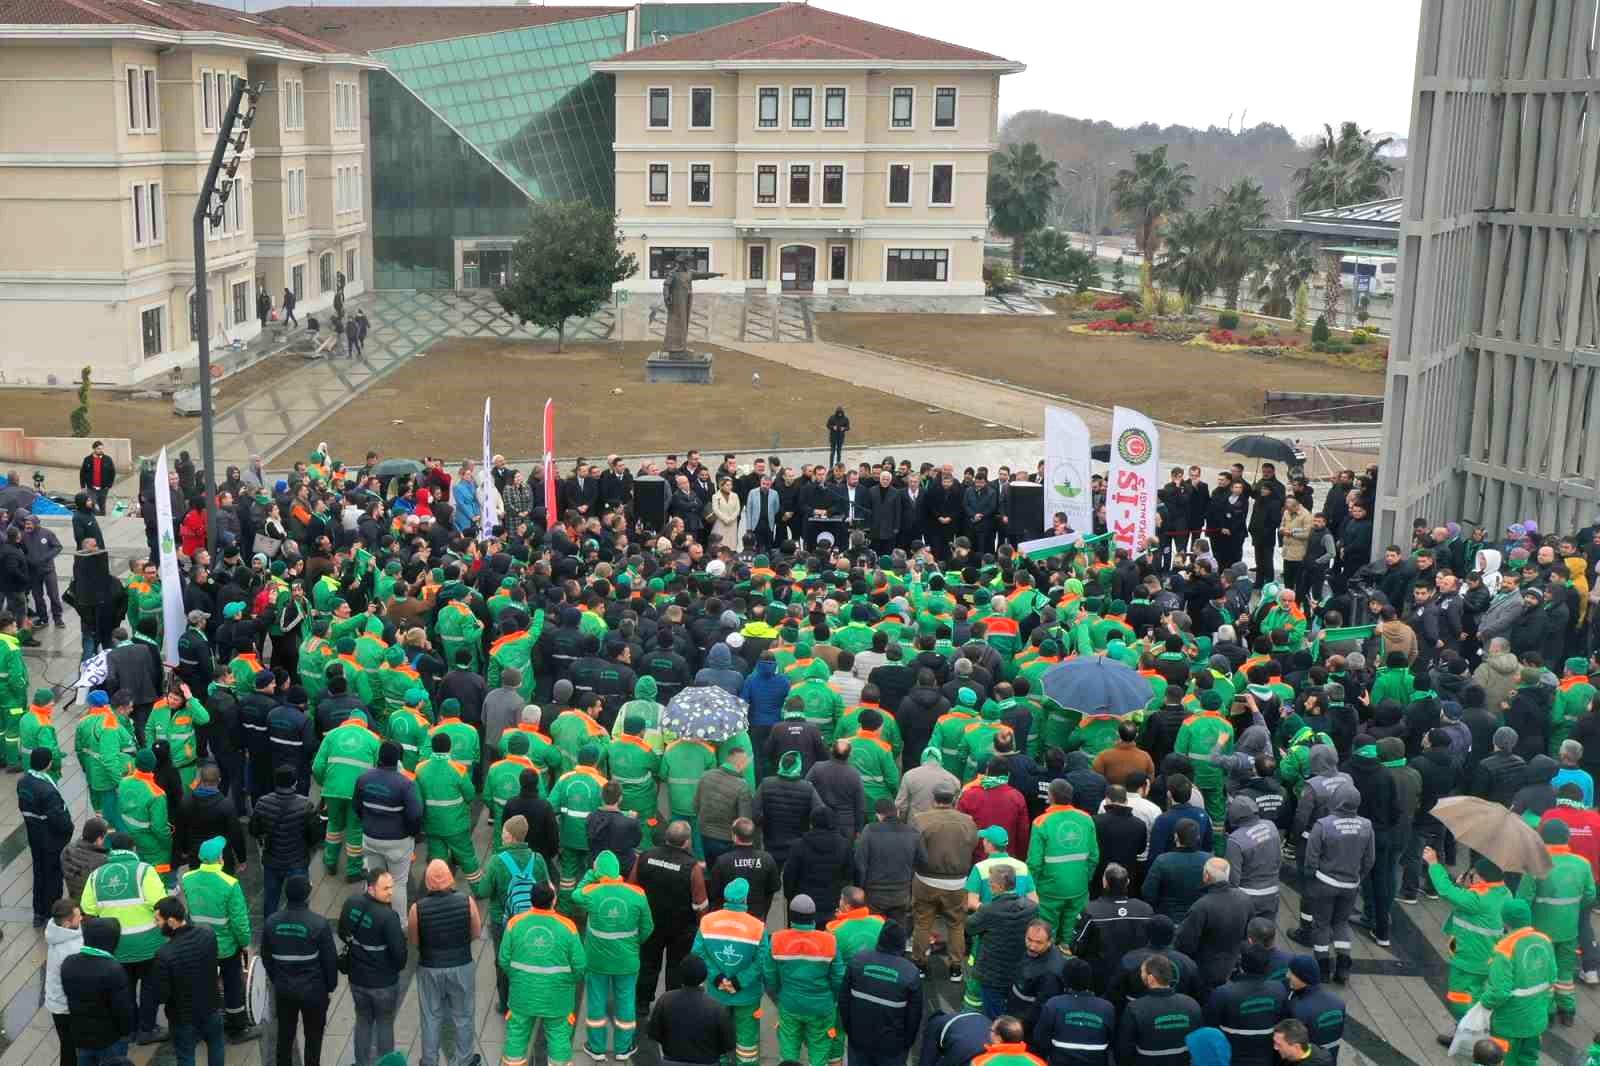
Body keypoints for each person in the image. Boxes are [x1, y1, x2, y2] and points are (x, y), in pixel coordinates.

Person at [79, 830, 166, 1044]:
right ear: (133, 848)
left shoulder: (96, 876)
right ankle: (147, 1029)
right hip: (148, 944)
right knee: (149, 988)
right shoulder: (144, 871)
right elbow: (161, 903)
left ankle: (130, 1029)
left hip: (115, 947)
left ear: (111, 850)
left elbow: (87, 909)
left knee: (124, 991)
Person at [572, 850, 652, 1061]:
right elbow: (648, 928)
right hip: (627, 961)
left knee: (596, 1002)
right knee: (625, 1002)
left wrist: (591, 874)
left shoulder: (592, 893)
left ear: (599, 872)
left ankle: (596, 1048)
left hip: (596, 960)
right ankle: (623, 1048)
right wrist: (634, 944)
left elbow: (575, 894)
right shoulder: (637, 895)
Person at [1514, 819, 1594, 1026]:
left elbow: (1523, 902)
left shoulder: (1535, 865)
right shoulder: (1582, 864)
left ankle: (1548, 1012)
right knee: (1565, 972)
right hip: (1569, 929)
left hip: (1541, 931)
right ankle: (1567, 1011)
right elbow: (1589, 895)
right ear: (1567, 838)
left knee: (1543, 971)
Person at [179, 836, 256, 1043]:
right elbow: (239, 921)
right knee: (232, 984)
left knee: (204, 984)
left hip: (199, 944)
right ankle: (237, 1025)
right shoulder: (230, 884)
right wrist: (244, 941)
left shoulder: (187, 878)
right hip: (226, 946)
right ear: (220, 858)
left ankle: (204, 1024)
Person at [500, 881, 585, 1066]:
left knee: (517, 1035)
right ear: (553, 900)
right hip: (557, 997)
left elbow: (504, 960)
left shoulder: (515, 924)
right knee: (558, 1037)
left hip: (523, 994)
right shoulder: (568, 926)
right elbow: (580, 966)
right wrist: (567, 982)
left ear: (531, 899)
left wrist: (518, 978)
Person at [410, 859, 482, 1066]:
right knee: (463, 1015)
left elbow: (415, 941)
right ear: (450, 878)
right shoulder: (466, 901)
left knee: (431, 1017)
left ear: (428, 881)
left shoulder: (417, 908)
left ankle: (430, 1061)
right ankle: (464, 1059)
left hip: (430, 968)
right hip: (461, 965)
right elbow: (476, 933)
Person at [691, 877, 769, 1066]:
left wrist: (718, 978)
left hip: (717, 993)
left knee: (716, 1035)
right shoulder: (757, 927)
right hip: (747, 995)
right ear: (745, 899)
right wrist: (738, 981)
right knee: (747, 1042)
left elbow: (697, 954)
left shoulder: (707, 921)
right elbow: (762, 962)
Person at [262, 875, 337, 1066]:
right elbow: (329, 961)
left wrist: (277, 978)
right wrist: (329, 987)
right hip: (314, 991)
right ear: (307, 895)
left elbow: (266, 956)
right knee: (313, 1036)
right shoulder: (319, 924)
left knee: (285, 1035)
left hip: (284, 990)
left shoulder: (272, 922)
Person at [1303, 777, 1373, 984]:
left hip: (1324, 881)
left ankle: (1322, 968)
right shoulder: (1366, 825)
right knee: (1341, 923)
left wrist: (1311, 877)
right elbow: (1370, 859)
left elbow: (1311, 858)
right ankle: (1343, 966)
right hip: (1350, 884)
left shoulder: (1323, 825)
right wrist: (1358, 878)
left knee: (1321, 925)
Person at [765, 893, 844, 1066]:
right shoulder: (829, 941)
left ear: (791, 916)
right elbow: (838, 978)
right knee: (819, 1053)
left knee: (788, 1052)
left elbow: (770, 976)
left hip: (789, 1004)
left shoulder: (777, 939)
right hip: (821, 1008)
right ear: (813, 917)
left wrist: (779, 998)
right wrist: (833, 1000)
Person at [340, 868, 407, 1066]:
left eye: (392, 887)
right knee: (385, 1023)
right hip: (383, 983)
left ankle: (361, 1062)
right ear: (371, 889)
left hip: (357, 980)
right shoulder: (388, 917)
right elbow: (400, 955)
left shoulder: (351, 903)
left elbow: (342, 932)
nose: (390, 892)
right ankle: (384, 1063)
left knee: (363, 1020)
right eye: (385, 888)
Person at [912, 782, 978, 978]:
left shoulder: (920, 820)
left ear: (933, 800)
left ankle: (920, 965)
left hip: (925, 880)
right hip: (957, 882)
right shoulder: (968, 821)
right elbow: (973, 846)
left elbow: (914, 849)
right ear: (953, 801)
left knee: (923, 923)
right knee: (956, 924)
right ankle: (956, 968)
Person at [354, 741, 423, 924]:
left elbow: (357, 807)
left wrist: (368, 822)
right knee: (398, 883)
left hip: (370, 838)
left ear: (379, 757)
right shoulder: (405, 784)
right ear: (398, 760)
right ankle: (400, 924)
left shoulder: (363, 779)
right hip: (398, 841)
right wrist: (411, 833)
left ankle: (370, 920)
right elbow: (415, 815)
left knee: (373, 879)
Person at [837, 921, 923, 1066]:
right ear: (902, 944)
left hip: (859, 1041)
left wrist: (850, 1031)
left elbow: (844, 1001)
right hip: (892, 1048)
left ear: (881, 939)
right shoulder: (910, 972)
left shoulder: (857, 961)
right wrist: (906, 1044)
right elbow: (914, 1016)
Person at [154, 896, 225, 1066]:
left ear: (171, 921)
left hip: (183, 1019)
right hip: (211, 1009)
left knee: (186, 1057)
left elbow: (162, 995)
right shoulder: (208, 934)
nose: (155, 923)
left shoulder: (164, 954)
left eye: (157, 920)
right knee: (216, 1047)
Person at [312, 707, 381, 880]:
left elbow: (317, 767)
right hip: (358, 793)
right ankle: (353, 870)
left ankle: (330, 862)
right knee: (355, 829)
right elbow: (378, 771)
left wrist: (324, 784)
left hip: (332, 790)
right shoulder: (373, 739)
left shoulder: (332, 735)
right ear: (364, 724)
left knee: (334, 825)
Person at [1029, 779, 1097, 944]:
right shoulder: (1086, 819)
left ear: (1050, 796)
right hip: (1078, 887)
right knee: (1070, 933)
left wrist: (1032, 888)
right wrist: (1084, 879)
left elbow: (1034, 863)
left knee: (1046, 932)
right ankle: (1067, 955)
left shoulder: (1041, 822)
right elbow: (1094, 856)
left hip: (1049, 889)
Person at [60, 915, 135, 1066]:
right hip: (110, 1039)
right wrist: (127, 1032)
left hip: (81, 1036)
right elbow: (122, 1009)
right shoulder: (113, 969)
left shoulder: (68, 963)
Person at [965, 865, 1039, 1018]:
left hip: (992, 977)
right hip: (1019, 972)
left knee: (995, 1019)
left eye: (990, 883)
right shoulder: (1031, 908)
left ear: (996, 886)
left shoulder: (989, 910)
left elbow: (970, 927)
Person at [250, 765, 320, 923]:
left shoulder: (263, 803)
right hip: (297, 862)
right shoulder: (305, 805)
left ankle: (269, 929)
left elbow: (254, 830)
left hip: (272, 861)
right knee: (300, 900)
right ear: (294, 783)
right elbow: (314, 836)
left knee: (271, 900)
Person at [1176, 856, 1253, 998]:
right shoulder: (1244, 898)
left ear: (1206, 876)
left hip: (1205, 971)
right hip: (1233, 966)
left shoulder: (1201, 906)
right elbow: (1248, 933)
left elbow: (1186, 944)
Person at [1204, 943, 1287, 1066]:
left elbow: (1209, 1028)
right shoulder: (1279, 989)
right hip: (1266, 1058)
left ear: (1241, 965)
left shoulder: (1223, 993)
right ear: (1267, 965)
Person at [644, 956, 736, 1066]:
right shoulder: (717, 1008)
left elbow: (654, 1034)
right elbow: (729, 1045)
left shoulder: (665, 1000)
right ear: (704, 977)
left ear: (680, 975)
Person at [1114, 955, 1202, 1065]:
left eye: (1142, 972)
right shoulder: (1192, 1005)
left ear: (1151, 979)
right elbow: (1198, 1044)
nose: (1141, 975)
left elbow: (1123, 1050)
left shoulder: (1134, 1009)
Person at [19, 744, 71, 926]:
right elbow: (60, 820)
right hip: (51, 840)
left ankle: (38, 913)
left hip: (35, 836)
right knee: (53, 877)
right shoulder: (47, 789)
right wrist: (68, 829)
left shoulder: (23, 782)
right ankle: (52, 913)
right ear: (48, 764)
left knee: (39, 873)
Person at [855, 797, 926, 931]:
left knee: (874, 930)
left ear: (878, 814)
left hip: (874, 892)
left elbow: (860, 861)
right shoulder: (912, 832)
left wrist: (861, 886)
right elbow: (923, 861)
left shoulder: (869, 830)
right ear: (897, 812)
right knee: (897, 931)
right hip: (901, 892)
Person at [1030, 955, 1114, 1066]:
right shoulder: (1107, 1007)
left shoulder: (1054, 1004)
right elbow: (1113, 1041)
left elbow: (1040, 1039)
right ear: (1089, 979)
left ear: (1065, 979)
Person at [708, 816, 781, 917]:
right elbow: (774, 887)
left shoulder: (723, 861)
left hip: (730, 916)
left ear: (734, 836)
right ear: (753, 836)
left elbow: (713, 892)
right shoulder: (767, 859)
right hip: (757, 916)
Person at [695, 744, 753, 865]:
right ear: (740, 764)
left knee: (712, 869)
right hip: (727, 839)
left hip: (705, 834)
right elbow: (744, 821)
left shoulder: (706, 776)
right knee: (727, 873)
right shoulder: (742, 786)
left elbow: (696, 806)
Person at [1285, 955, 1346, 1063]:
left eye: (1291, 973)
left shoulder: (1298, 1009)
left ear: (1303, 978)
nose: (1287, 975)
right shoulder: (1339, 1003)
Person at [46, 898, 83, 1066]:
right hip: (68, 1007)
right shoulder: (71, 950)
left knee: (66, 1046)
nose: (81, 918)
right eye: (77, 916)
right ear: (67, 924)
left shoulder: (55, 932)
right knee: (73, 1048)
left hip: (56, 1004)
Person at [63, 816, 108, 906]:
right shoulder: (101, 860)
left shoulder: (68, 849)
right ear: (99, 839)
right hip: (90, 905)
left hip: (73, 900)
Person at [79, 441, 116, 515]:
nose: (101, 450)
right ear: (94, 449)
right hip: (91, 488)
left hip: (103, 488)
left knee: (102, 506)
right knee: (91, 505)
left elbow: (113, 472)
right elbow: (82, 473)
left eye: (102, 449)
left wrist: (109, 485)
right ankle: (94, 519)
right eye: (99, 449)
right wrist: (83, 486)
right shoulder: (87, 459)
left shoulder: (108, 459)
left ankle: (102, 519)